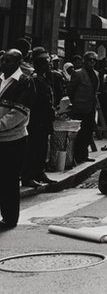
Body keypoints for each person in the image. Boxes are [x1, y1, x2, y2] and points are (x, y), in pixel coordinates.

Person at [0, 50, 36, 230]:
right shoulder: (1, 79)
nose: (3, 63)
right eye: (2, 59)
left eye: (7, 60)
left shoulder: (25, 82)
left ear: (17, 62)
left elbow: (19, 114)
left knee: (8, 179)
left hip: (13, 140)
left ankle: (9, 218)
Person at [23, 48, 55, 188]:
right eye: (47, 63)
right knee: (32, 149)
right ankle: (28, 176)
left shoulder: (45, 78)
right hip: (36, 121)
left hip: (44, 120)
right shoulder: (34, 80)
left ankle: (39, 172)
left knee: (42, 148)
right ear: (41, 64)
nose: (50, 66)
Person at [68, 51, 101, 164]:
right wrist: (76, 102)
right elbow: (71, 90)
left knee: (88, 131)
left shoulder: (96, 74)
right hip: (80, 107)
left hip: (91, 107)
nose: (92, 62)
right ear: (84, 61)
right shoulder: (78, 73)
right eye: (89, 60)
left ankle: (84, 154)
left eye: (94, 60)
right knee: (79, 133)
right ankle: (76, 155)